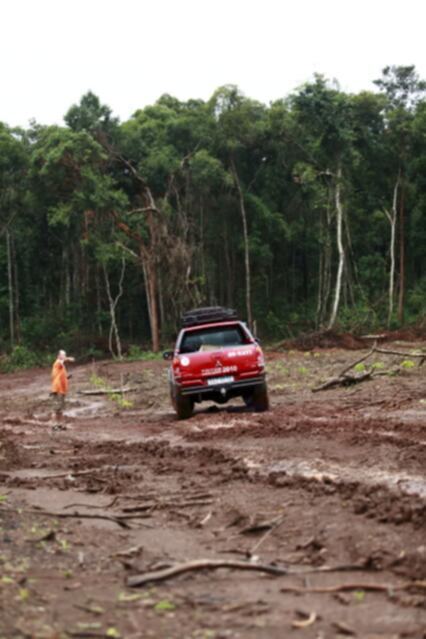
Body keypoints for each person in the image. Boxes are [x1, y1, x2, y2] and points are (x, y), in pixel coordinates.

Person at [50, 350, 75, 423]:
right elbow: (61, 361)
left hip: (62, 389)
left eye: (65, 355)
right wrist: (68, 358)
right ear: (58, 356)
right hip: (58, 389)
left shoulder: (61, 365)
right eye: (63, 355)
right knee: (56, 409)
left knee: (60, 409)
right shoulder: (57, 362)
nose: (64, 356)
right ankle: (54, 425)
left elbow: (59, 376)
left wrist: (67, 377)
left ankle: (59, 424)